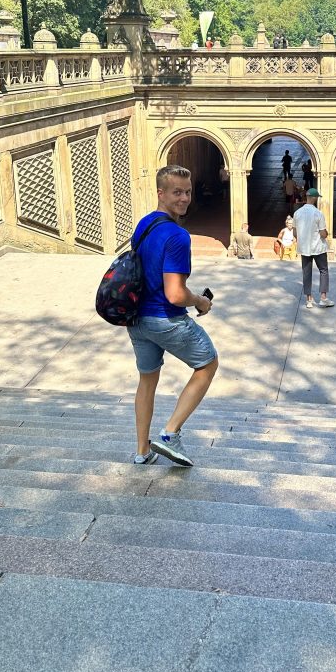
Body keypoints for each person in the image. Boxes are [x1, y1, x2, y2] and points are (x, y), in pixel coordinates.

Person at [128, 165, 218, 467]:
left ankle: (142, 451)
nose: (184, 198)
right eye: (177, 192)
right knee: (207, 363)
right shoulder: (178, 236)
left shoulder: (144, 225)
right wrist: (200, 302)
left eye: (188, 191)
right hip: (165, 319)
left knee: (147, 380)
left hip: (137, 320)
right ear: (161, 193)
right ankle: (169, 434)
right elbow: (175, 294)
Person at [293, 189, 334, 309]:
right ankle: (323, 298)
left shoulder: (297, 213)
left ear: (306, 197)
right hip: (318, 247)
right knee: (323, 270)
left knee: (306, 272)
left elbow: (295, 233)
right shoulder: (318, 213)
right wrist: (326, 233)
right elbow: (323, 233)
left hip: (304, 247)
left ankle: (309, 299)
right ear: (315, 198)